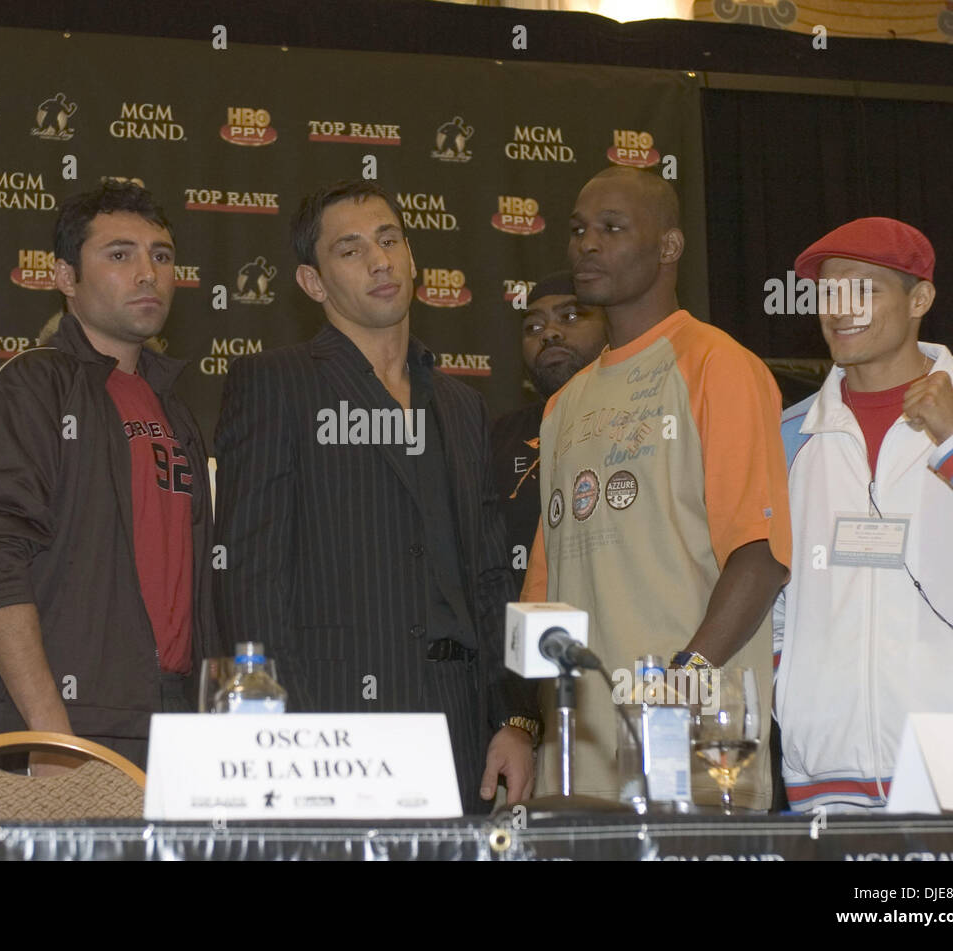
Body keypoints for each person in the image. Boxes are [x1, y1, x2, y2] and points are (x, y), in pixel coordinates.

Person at [213, 180, 540, 813]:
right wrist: (287, 732)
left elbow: (491, 578)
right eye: (351, 249)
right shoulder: (276, 384)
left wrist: (514, 718)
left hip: (462, 721)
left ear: (414, 257)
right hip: (332, 721)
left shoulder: (462, 405)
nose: (380, 261)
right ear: (313, 283)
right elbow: (248, 578)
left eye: (390, 240)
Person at [522, 166, 791, 808]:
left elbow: (760, 556)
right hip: (578, 756)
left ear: (668, 247)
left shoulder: (716, 365)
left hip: (698, 743)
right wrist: (540, 724)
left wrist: (683, 684)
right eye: (579, 229)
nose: (588, 243)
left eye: (612, 228)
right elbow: (542, 597)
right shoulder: (564, 404)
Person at [0, 182, 218, 772]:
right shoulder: (28, 386)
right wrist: (51, 734)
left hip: (177, 721)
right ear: (65, 278)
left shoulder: (175, 408)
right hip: (68, 724)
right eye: (120, 255)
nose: (148, 273)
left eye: (161, 256)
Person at [775, 217, 953, 812]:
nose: (840, 308)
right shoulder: (788, 433)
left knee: (937, 911)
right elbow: (776, 598)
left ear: (920, 298)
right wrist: (798, 697)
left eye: (864, 289)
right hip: (825, 768)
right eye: (828, 292)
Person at [490, 271, 606, 589]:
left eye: (569, 316)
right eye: (534, 327)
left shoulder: (645, 415)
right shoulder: (496, 438)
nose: (549, 334)